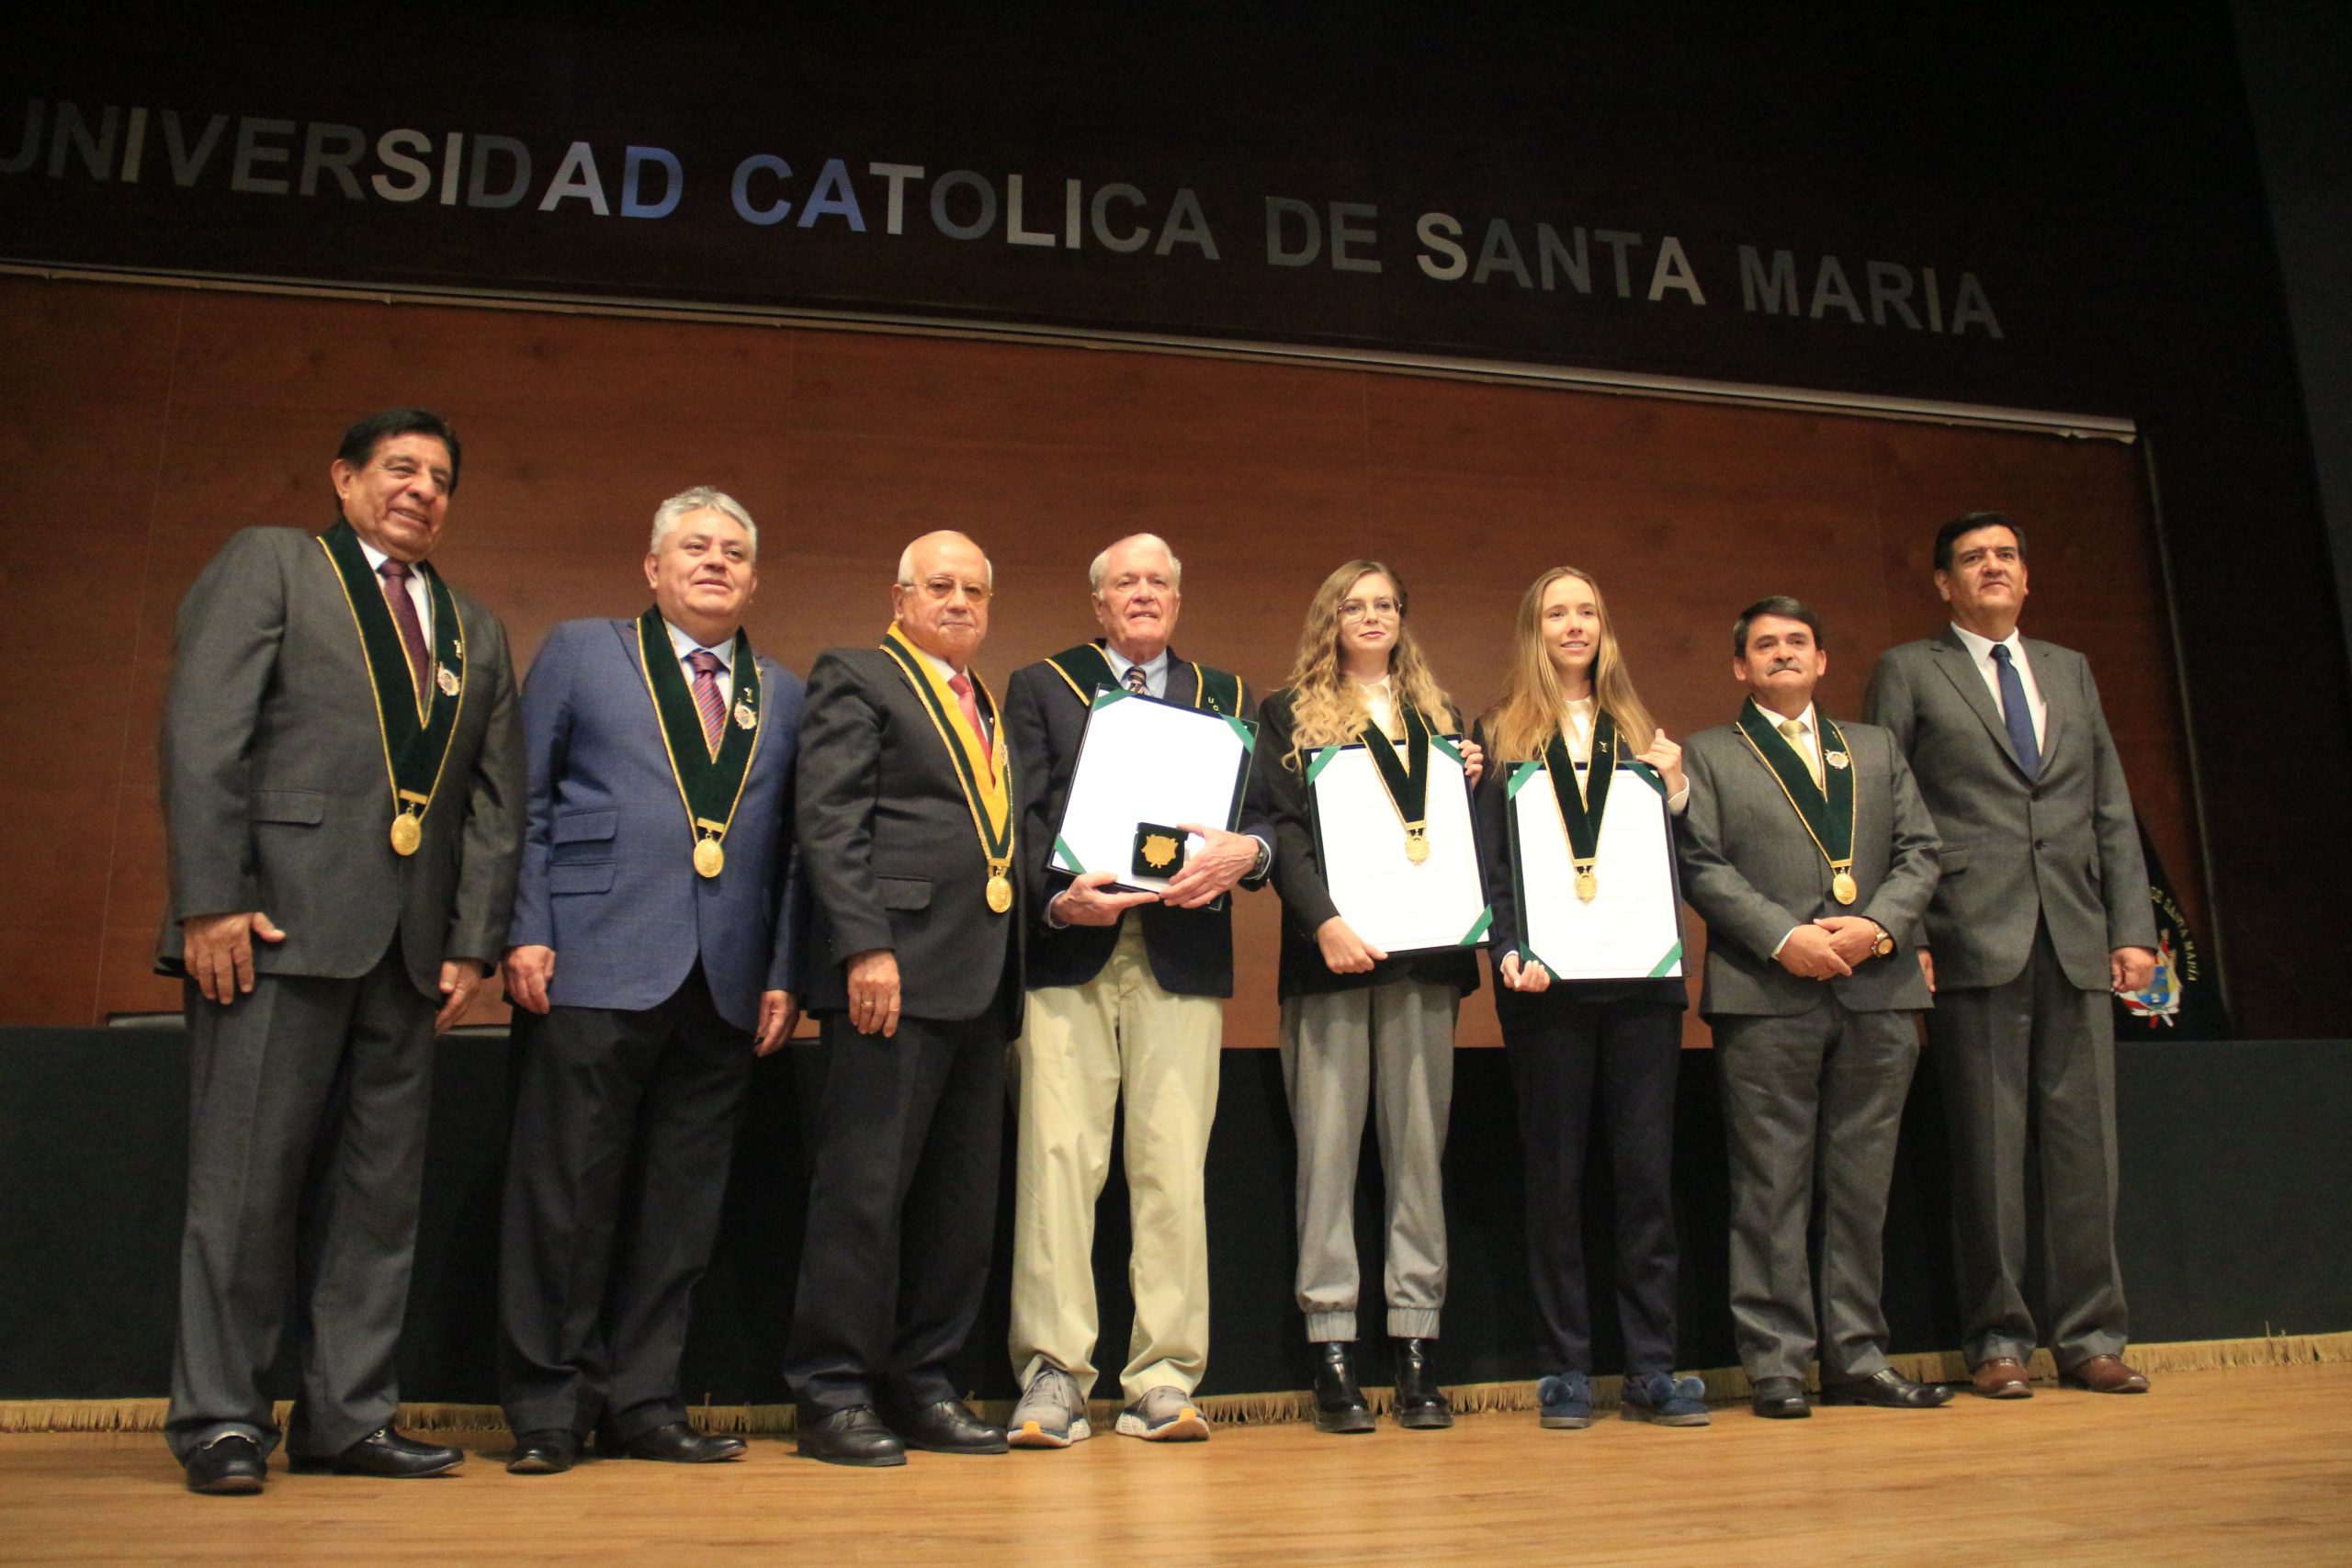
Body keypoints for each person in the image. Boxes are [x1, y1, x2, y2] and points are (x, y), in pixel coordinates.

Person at [157, 408, 525, 1494]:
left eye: (441, 477)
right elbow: (202, 733)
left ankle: (347, 1417)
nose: (421, 489)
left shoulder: (474, 628)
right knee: (245, 1190)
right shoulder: (273, 565)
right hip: (273, 932)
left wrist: (472, 944)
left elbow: (492, 808)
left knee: (378, 1202)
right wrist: (210, 901)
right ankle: (224, 1420)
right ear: (344, 477)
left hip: (410, 959)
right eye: (400, 469)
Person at [495, 487, 808, 1474]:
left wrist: (784, 973)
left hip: (724, 982)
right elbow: (523, 800)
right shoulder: (585, 650)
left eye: (731, 552)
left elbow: (798, 855)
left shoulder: (786, 693)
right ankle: (550, 1406)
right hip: (588, 958)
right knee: (566, 1198)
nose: (713, 563)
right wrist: (526, 928)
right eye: (694, 547)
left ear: (754, 577)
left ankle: (643, 1400)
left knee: (681, 1212)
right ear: (652, 566)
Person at [1864, 513, 2157, 1399]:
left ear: (2026, 577)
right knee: (1989, 1153)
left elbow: (2110, 804)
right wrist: (1902, 935)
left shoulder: (2068, 668)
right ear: (1943, 585)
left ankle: (2092, 1335)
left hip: (2073, 935)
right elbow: (1886, 810)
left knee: (2085, 1150)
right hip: (1967, 935)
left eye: (2006, 555)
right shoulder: (1910, 669)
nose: (1993, 567)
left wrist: (2131, 925)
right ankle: (1997, 1340)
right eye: (1972, 559)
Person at [1000, 534, 1273, 1447]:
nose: (1144, 594)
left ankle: (1163, 1377)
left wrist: (1249, 852)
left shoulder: (1228, 698)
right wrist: (1053, 901)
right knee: (1057, 1164)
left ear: (1178, 599)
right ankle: (1052, 1376)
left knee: (1170, 1171)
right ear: (1099, 602)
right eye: (1126, 582)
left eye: (1160, 581)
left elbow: (1265, 818)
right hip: (1073, 950)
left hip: (1181, 955)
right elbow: (1023, 815)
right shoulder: (1044, 685)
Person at [784, 530, 1023, 1466]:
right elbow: (829, 819)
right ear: (900, 596)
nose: (959, 601)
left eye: (974, 588)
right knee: (862, 1195)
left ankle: (924, 1383)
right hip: (890, 977)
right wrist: (865, 946)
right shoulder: (857, 674)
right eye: (940, 586)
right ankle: (831, 1392)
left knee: (957, 1207)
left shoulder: (982, 701)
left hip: (980, 980)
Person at [1676, 596, 1948, 1418]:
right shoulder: (1709, 753)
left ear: (1823, 660)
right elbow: (1702, 864)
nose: (1784, 653)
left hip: (1878, 988)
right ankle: (1778, 1365)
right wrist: (1784, 937)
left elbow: (1921, 850)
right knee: (1771, 1186)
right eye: (1765, 644)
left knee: (1863, 1186)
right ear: (1740, 665)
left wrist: (1877, 926)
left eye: (1798, 642)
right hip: (1766, 991)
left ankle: (1859, 1357)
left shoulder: (1874, 747)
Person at [1472, 565, 1706, 1429]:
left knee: (1646, 1178)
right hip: (1548, 986)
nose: (1574, 626)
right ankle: (1564, 1367)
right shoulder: (1501, 736)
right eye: (1557, 613)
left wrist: (1675, 790)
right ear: (1534, 630)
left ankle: (1652, 1366)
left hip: (1642, 981)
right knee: (1557, 1176)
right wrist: (1506, 948)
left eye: (1588, 612)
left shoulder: (1643, 735)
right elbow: (1492, 865)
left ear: (1606, 629)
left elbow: (1684, 858)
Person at [1263, 560, 1481, 1434]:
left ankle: (1417, 1343)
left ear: (1403, 619)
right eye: (1354, 605)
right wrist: (1323, 920)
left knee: (1419, 1155)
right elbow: (1276, 828)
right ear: (1329, 619)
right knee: (1326, 1154)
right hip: (1333, 959)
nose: (1372, 616)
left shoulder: (1442, 716)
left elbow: (1456, 835)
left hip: (1425, 962)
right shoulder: (1286, 713)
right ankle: (1332, 1346)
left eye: (1386, 604)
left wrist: (1470, 776)